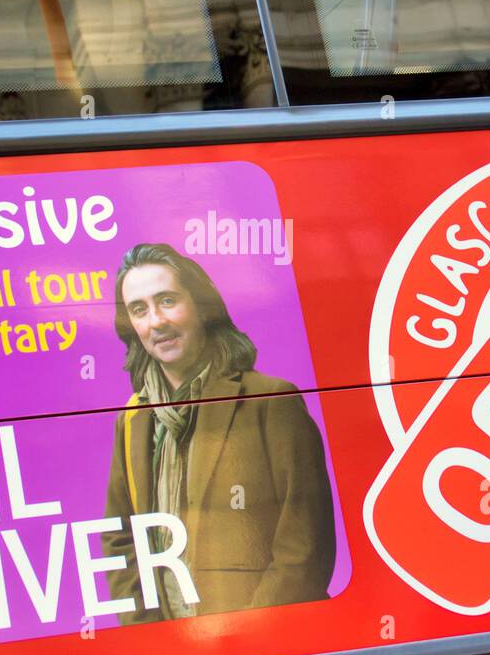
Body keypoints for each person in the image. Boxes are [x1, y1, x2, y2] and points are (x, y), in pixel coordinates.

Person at [103, 243, 335, 623]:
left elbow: (305, 547)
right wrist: (149, 640)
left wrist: (249, 643)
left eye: (167, 300)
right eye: (139, 309)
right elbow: (121, 539)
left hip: (266, 650)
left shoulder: (270, 399)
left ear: (202, 307)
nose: (156, 321)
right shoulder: (133, 419)